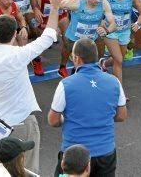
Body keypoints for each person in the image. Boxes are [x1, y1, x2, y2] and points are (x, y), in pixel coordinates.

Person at [0, 0, 60, 174]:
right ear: (15, 35)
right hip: (20, 123)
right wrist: (54, 7)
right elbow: (48, 36)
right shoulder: (20, 55)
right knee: (27, 170)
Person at [48, 38, 127, 177]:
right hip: (105, 153)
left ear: (77, 59)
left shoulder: (66, 84)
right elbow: (121, 116)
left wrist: (63, 119)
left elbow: (53, 121)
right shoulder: (114, 82)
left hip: (74, 154)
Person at [101, 0, 141, 87]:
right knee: (119, 61)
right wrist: (100, 23)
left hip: (125, 31)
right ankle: (119, 92)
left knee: (119, 58)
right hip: (110, 31)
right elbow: (94, 4)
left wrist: (138, 23)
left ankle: (104, 64)